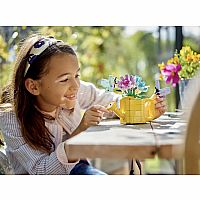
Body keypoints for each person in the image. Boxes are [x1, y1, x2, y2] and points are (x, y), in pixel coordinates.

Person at [0, 34, 166, 175]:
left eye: (77, 75)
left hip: (78, 170)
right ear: (34, 86)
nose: (76, 85)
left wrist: (145, 109)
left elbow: (111, 101)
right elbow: (42, 172)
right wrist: (80, 130)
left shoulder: (73, 91)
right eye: (65, 79)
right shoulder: (11, 117)